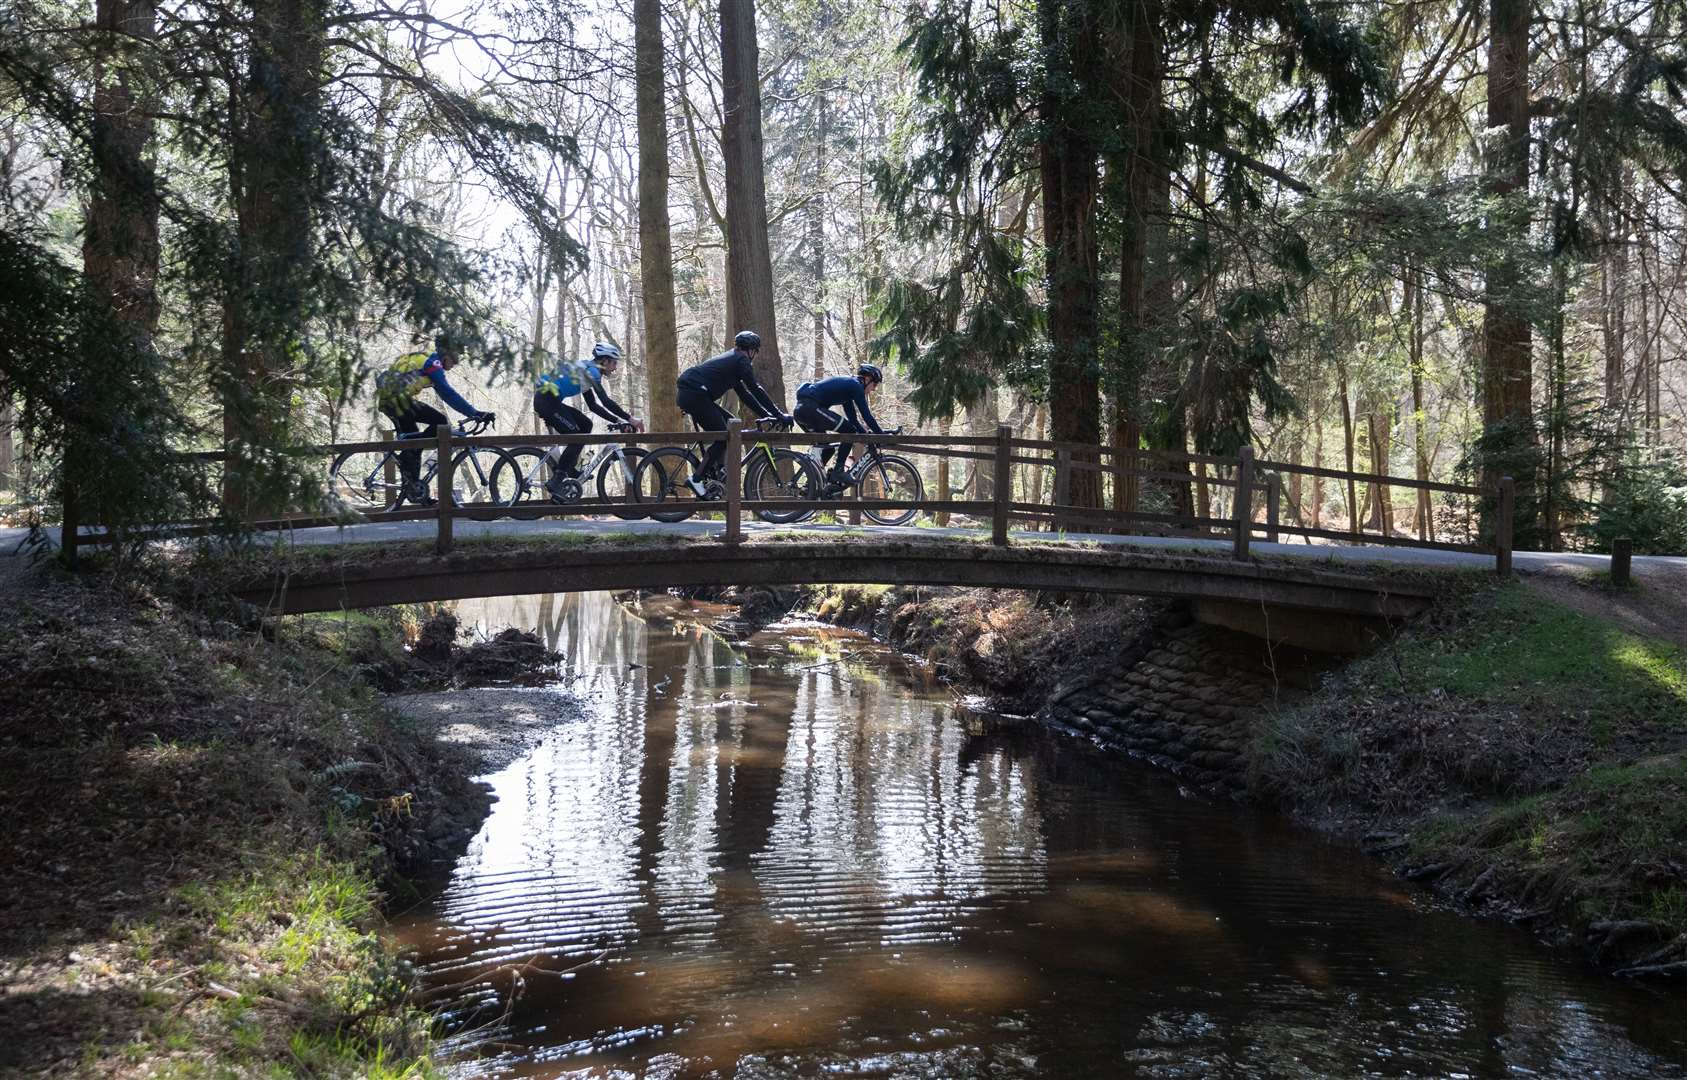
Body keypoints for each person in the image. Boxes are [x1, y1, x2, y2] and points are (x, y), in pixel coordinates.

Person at [376, 333, 493, 504]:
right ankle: (409, 459)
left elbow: (446, 394)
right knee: (429, 429)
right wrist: (474, 413)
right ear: (446, 354)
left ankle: (415, 485)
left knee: (427, 431)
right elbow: (448, 394)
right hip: (396, 401)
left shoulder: (427, 360)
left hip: (395, 400)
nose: (455, 364)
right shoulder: (433, 363)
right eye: (454, 359)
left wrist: (472, 412)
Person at [674, 330, 792, 496]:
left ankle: (716, 471)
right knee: (723, 438)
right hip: (695, 394)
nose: (755, 355)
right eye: (756, 352)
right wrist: (778, 414)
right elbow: (755, 389)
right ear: (751, 350)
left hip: (694, 393)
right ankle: (697, 479)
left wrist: (767, 414)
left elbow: (745, 395)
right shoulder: (741, 361)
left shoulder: (734, 359)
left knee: (730, 423)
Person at [535, 341, 643, 499]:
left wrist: (617, 421)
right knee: (576, 436)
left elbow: (593, 406)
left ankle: (569, 468)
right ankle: (557, 479)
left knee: (586, 424)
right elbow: (605, 401)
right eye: (613, 362)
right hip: (547, 402)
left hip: (551, 400)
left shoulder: (586, 370)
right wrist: (630, 418)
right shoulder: (593, 372)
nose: (615, 367)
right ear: (604, 361)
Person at [794, 363, 885, 493]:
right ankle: (838, 471)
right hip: (811, 409)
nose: (874, 389)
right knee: (849, 431)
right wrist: (881, 435)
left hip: (800, 412)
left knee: (828, 448)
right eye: (875, 384)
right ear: (867, 379)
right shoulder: (856, 386)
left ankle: (810, 485)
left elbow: (853, 420)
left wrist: (866, 435)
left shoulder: (848, 389)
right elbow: (867, 416)